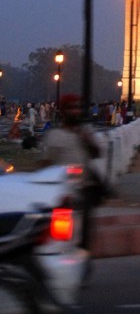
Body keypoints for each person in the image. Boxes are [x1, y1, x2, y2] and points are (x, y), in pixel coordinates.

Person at [39, 93, 104, 250]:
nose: (75, 111)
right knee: (62, 243)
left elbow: (97, 153)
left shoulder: (85, 133)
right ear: (62, 111)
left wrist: (86, 139)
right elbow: (44, 165)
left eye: (77, 107)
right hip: (63, 199)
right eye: (71, 108)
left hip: (83, 195)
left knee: (84, 244)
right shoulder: (54, 136)